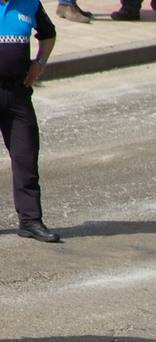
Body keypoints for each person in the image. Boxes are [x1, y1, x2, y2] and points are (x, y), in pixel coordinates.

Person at [1, 0, 59, 242]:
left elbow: (48, 34)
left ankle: (30, 220)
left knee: (26, 157)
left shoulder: (29, 3)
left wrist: (40, 63)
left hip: (17, 94)